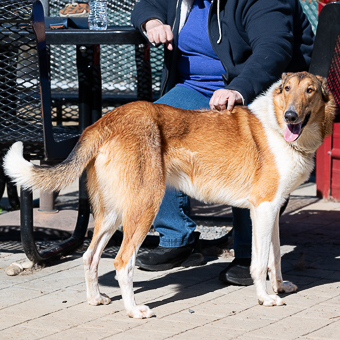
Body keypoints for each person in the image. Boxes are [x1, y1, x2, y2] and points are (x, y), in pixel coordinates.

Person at [131, 0, 314, 285]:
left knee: (245, 158)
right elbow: (148, 4)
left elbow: (274, 49)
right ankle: (176, 238)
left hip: (253, 89)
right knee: (150, 133)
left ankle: (249, 253)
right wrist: (152, 22)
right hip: (193, 87)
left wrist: (238, 89)